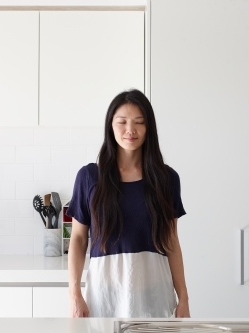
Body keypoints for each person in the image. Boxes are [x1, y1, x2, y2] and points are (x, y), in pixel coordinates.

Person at [66, 89, 190, 318]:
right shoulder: (89, 177)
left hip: (155, 296)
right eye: (122, 122)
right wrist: (74, 293)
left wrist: (183, 297)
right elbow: (78, 238)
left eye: (139, 122)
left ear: (148, 128)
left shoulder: (167, 179)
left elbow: (171, 241)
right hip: (104, 297)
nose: (130, 130)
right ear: (110, 126)